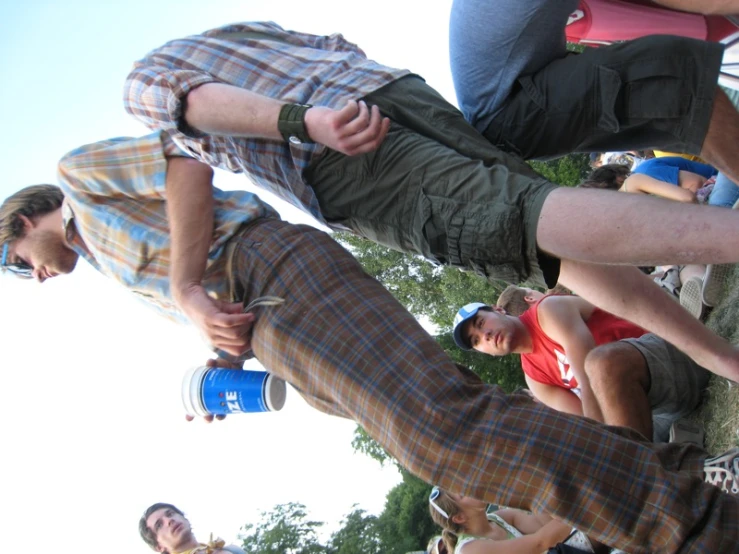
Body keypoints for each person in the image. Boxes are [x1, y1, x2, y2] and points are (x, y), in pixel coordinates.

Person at [4, 135, 739, 552]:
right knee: (434, 449)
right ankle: (682, 502)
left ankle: (694, 518)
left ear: (24, 219)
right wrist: (223, 352)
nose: (29, 276)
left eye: (14, 260)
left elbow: (181, 158)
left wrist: (189, 287)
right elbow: (196, 286)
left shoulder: (74, 184)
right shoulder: (104, 260)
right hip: (265, 324)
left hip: (270, 268)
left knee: (447, 430)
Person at [121, 20, 739, 390]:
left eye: (19, 258)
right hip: (391, 94)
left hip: (331, 152)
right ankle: (720, 358)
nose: (30, 268)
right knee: (558, 249)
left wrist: (304, 122)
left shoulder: (142, 79)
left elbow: (188, 105)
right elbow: (334, 45)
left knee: (522, 224)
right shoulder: (231, 34)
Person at [452, 297, 710, 442]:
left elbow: (588, 382)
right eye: (476, 340)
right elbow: (589, 426)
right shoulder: (534, 379)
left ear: (498, 310)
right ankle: (675, 454)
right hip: (653, 413)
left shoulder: (547, 312)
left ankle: (643, 470)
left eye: (481, 322)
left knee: (600, 365)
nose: (484, 335)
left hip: (674, 361)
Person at [427, 487, 606, 554]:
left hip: (563, 550)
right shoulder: (469, 550)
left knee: (604, 517)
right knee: (605, 517)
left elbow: (544, 525)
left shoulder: (499, 518)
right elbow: (540, 543)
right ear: (459, 517)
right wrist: (588, 510)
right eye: (464, 493)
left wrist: (522, 494)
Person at [139, 502, 245, 554]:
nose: (169, 521)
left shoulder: (231, 549)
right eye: (159, 525)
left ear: (185, 518)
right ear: (159, 547)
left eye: (170, 514)